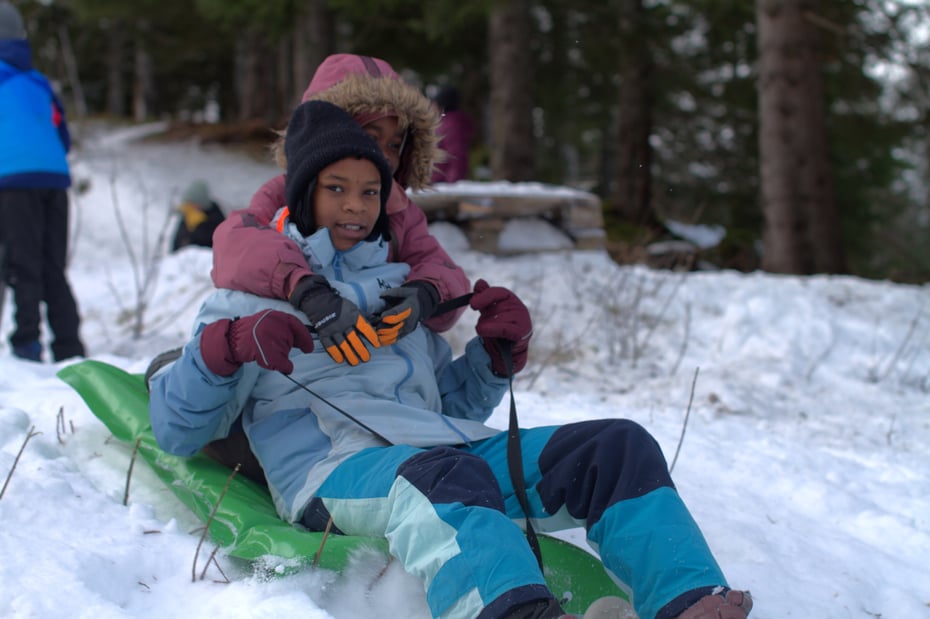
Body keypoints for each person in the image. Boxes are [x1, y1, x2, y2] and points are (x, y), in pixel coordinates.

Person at [149, 100, 753, 619]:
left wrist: (494, 354)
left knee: (616, 447)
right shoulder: (246, 297)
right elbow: (177, 429)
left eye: (370, 192)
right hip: (332, 474)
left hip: (440, 454)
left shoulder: (398, 290)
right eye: (336, 189)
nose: (356, 207)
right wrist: (225, 348)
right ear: (305, 193)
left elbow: (448, 405)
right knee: (442, 477)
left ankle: (689, 599)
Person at [210, 54, 470, 368]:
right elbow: (237, 245)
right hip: (296, 355)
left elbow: (440, 266)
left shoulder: (400, 211)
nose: (385, 157)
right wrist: (303, 287)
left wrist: (427, 293)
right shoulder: (284, 194)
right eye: (372, 139)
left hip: (374, 360)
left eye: (394, 145)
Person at [0, 1, 85, 362]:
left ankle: (26, 345)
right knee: (52, 266)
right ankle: (69, 347)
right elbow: (61, 135)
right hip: (53, 177)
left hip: (14, 179)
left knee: (23, 264)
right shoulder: (38, 82)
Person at [431, 85, 475, 183]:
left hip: (444, 182)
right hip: (441, 180)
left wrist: (453, 182)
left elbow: (456, 154)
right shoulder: (446, 122)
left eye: (434, 103)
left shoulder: (452, 125)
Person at [171, 179, 226, 252]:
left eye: (193, 203)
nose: (191, 207)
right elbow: (176, 244)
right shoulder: (188, 216)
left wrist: (199, 226)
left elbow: (216, 242)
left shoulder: (216, 218)